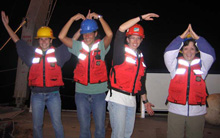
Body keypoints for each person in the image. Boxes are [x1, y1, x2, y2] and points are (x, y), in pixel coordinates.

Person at [1, 11, 71, 138]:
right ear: (39, 41)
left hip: (54, 95)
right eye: (41, 39)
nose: (43, 42)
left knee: (57, 124)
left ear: (51, 40)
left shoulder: (58, 54)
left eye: (46, 39)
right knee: (36, 126)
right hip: (36, 96)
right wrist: (6, 26)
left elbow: (72, 42)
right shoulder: (31, 53)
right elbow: (17, 41)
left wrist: (83, 26)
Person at [58, 10, 113, 138]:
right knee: (84, 127)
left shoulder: (101, 46)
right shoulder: (78, 46)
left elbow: (110, 34)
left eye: (90, 34)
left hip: (99, 93)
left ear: (95, 34)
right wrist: (72, 19)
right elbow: (61, 37)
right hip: (81, 93)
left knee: (100, 127)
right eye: (84, 34)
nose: (87, 37)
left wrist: (99, 17)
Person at [105, 13, 159, 138]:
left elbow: (141, 82)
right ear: (127, 39)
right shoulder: (120, 52)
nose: (135, 41)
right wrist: (140, 18)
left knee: (127, 134)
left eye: (138, 38)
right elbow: (121, 30)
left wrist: (145, 101)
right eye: (132, 38)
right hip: (118, 98)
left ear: (141, 40)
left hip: (131, 100)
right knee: (118, 135)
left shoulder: (140, 57)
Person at [164, 24, 216, 138]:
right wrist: (181, 37)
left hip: (197, 112)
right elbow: (168, 52)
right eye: (186, 48)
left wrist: (197, 38)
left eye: (192, 48)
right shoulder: (174, 65)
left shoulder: (203, 66)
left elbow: (210, 53)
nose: (189, 51)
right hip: (176, 111)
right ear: (181, 51)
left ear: (196, 51)